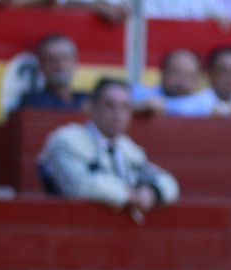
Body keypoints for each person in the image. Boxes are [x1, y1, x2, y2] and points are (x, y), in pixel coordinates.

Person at [37, 79, 179, 215]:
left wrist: (153, 192)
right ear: (92, 107)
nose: (118, 115)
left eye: (125, 107)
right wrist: (130, 195)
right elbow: (80, 186)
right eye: (110, 106)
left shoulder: (128, 149)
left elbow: (167, 182)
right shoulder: (67, 141)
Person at [18, 34, 84, 111]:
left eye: (64, 58)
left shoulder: (86, 100)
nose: (59, 64)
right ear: (41, 65)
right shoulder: (33, 103)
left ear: (74, 61)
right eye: (51, 59)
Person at [132, 49, 206, 117]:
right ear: (163, 72)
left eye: (189, 76)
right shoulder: (140, 94)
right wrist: (138, 108)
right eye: (176, 73)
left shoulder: (205, 105)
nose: (182, 81)